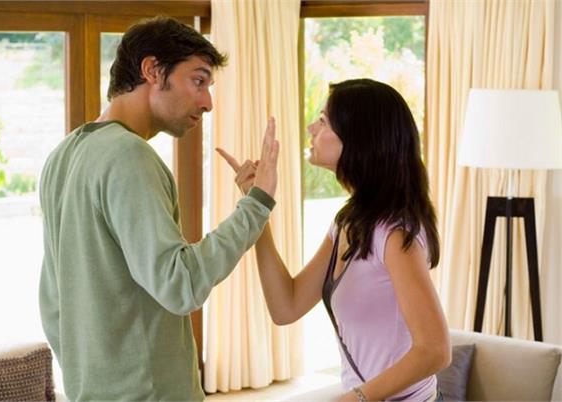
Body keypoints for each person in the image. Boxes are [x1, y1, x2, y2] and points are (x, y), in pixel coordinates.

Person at [39, 17, 279, 401]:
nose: (208, 103)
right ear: (152, 70)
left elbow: (53, 301)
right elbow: (180, 284)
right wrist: (257, 204)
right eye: (198, 81)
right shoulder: (128, 155)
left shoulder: (64, 155)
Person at [218, 78, 451, 401]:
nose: (311, 127)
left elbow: (435, 350)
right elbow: (286, 306)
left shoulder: (394, 233)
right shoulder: (348, 223)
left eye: (323, 120)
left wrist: (355, 398)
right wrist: (257, 204)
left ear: (359, 139)